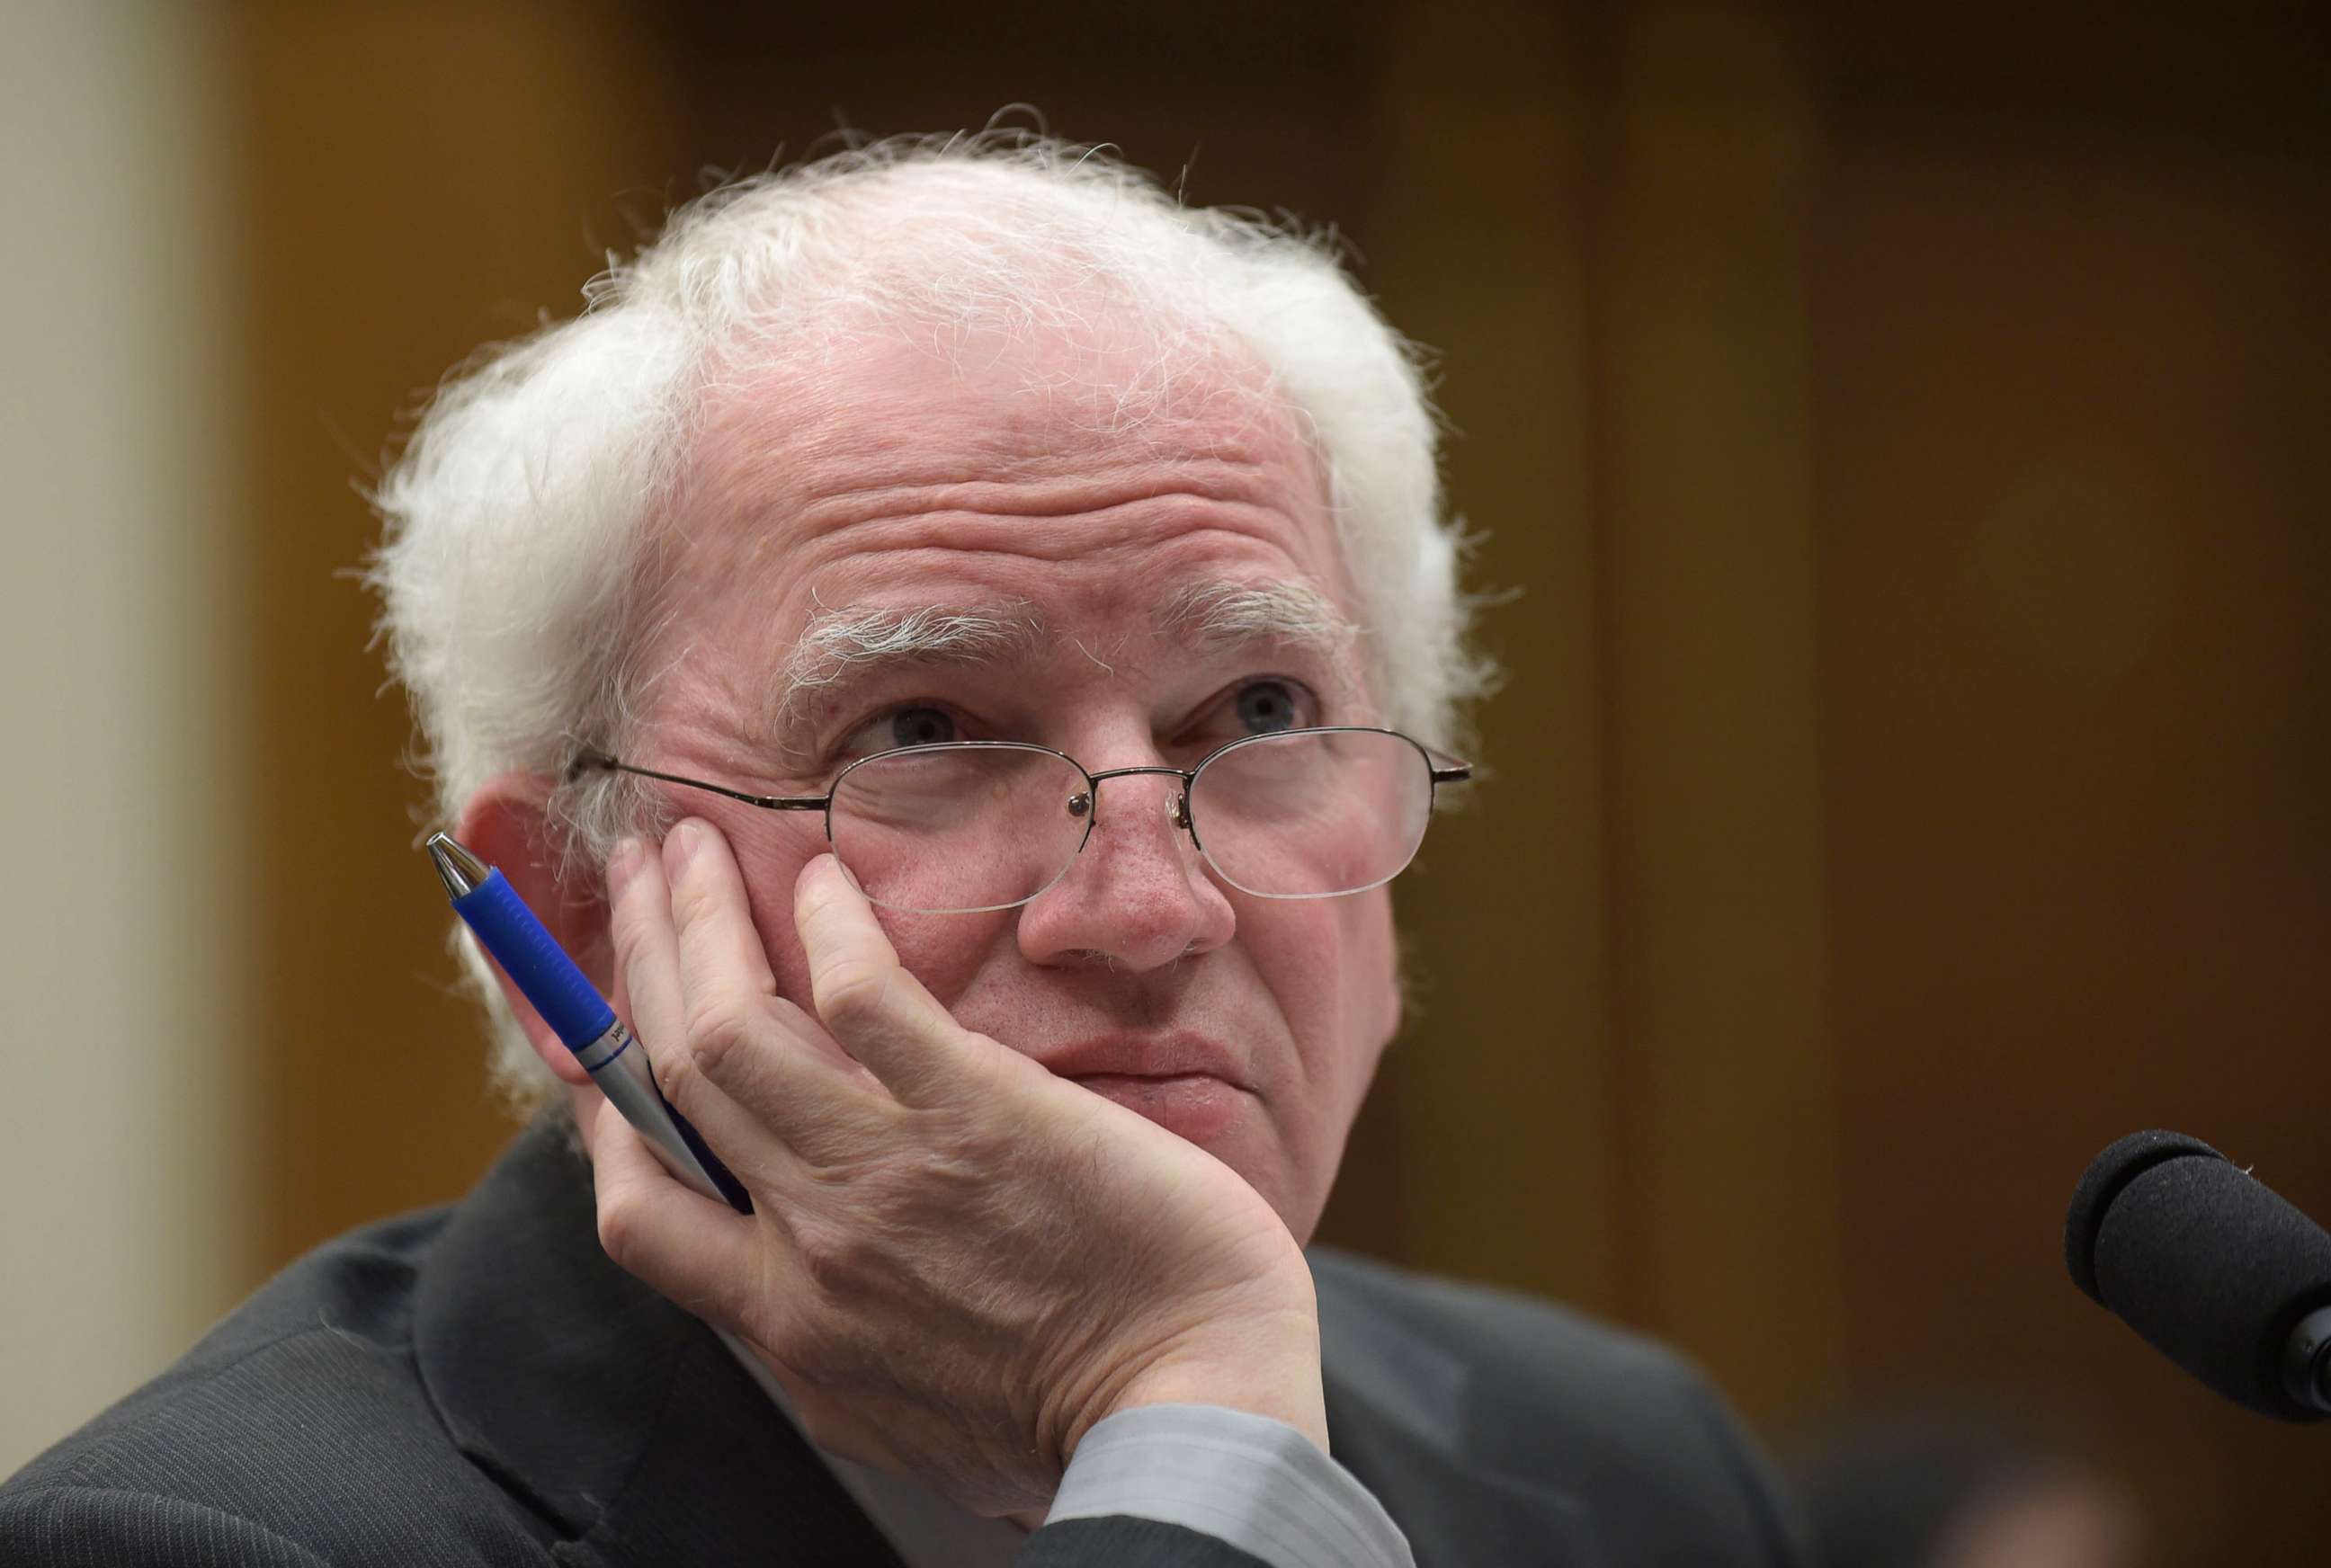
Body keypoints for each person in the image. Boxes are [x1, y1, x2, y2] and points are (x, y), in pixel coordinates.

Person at [0, 135, 1801, 1567]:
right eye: (926, 732)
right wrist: (1194, 1436)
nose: (1152, 905)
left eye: (1255, 713)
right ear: (575, 914)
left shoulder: (1629, 1467)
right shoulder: (210, 1536)